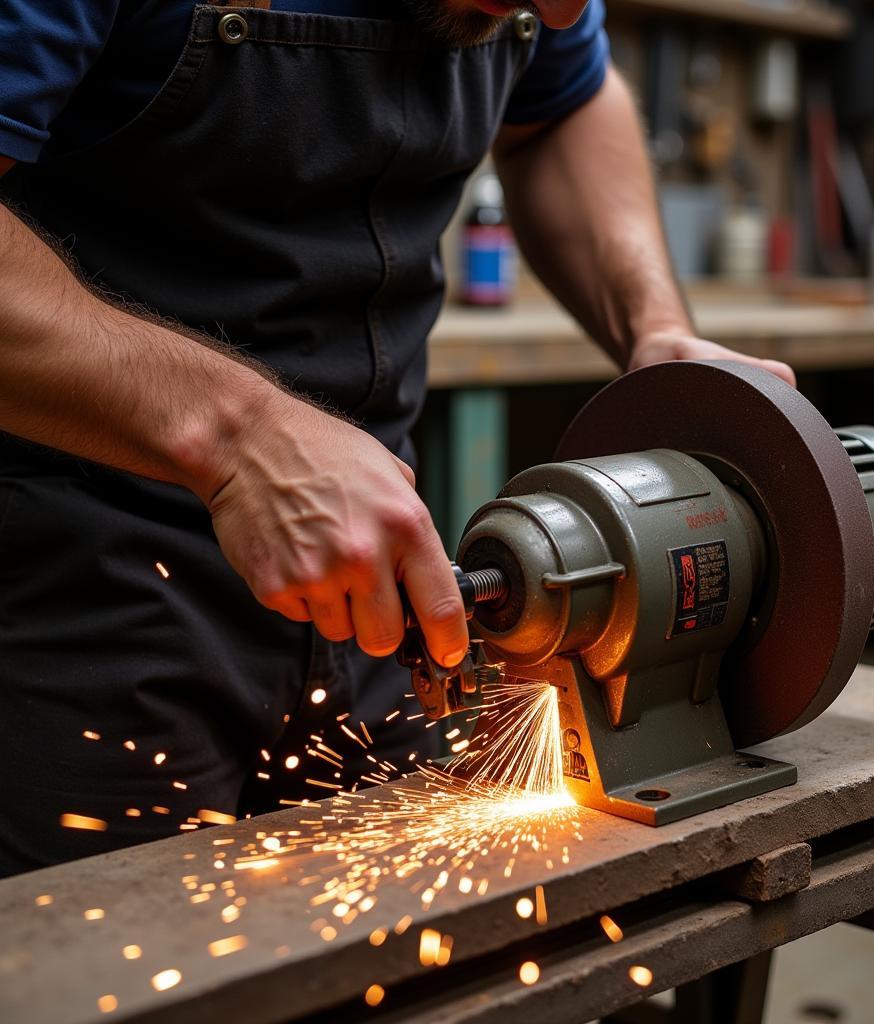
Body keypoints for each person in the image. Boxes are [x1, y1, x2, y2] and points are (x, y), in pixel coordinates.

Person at [0, 0, 794, 876]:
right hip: (73, 574)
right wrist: (239, 436)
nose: (563, 9)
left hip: (379, 576)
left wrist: (650, 325)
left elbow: (564, 104)